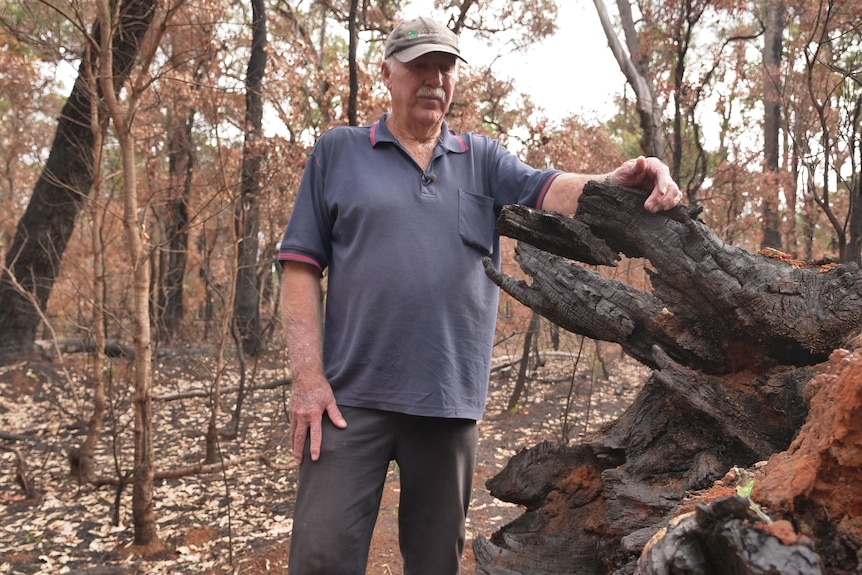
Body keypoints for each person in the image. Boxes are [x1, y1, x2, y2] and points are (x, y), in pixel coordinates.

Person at [277, 15, 682, 575]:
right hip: (348, 402)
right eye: (420, 65)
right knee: (320, 559)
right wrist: (306, 378)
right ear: (386, 73)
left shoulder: (482, 159)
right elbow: (299, 267)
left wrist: (621, 181)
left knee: (436, 562)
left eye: (445, 67)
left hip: (446, 401)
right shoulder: (339, 152)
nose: (434, 78)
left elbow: (552, 188)